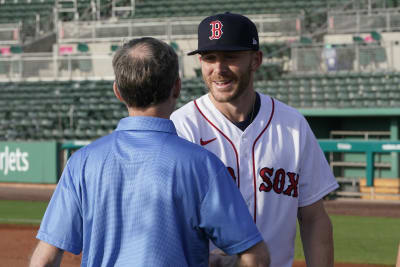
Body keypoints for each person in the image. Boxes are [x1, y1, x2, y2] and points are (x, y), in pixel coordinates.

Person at [29, 37, 270, 267]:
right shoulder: (203, 165)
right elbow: (255, 258)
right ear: (176, 87)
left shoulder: (81, 162)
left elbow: (44, 260)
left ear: (118, 92)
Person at [171, 12, 339, 267]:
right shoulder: (182, 127)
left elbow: (314, 218)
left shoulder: (293, 125)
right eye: (210, 58)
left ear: (256, 60)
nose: (219, 69)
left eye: (231, 57)